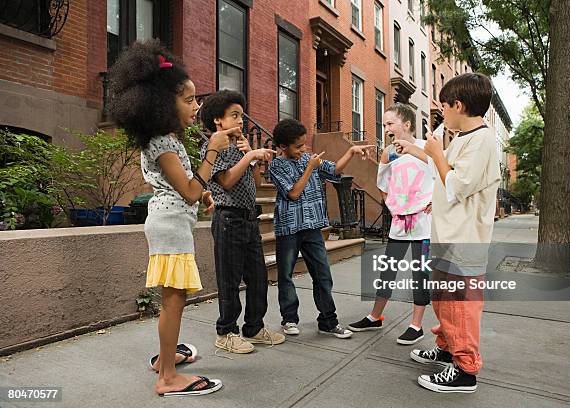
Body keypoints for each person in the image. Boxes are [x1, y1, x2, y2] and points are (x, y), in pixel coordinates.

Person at [108, 40, 236, 397]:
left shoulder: (166, 140)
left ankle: (165, 358)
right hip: (168, 228)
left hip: (173, 223)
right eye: (189, 99)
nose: (196, 106)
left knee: (174, 300)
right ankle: (166, 376)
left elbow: (186, 187)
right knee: (173, 301)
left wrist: (204, 193)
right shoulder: (162, 144)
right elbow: (189, 191)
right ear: (163, 103)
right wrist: (212, 150)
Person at [393, 73, 501, 393]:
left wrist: (437, 153)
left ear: (459, 105)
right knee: (443, 298)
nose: (442, 113)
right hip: (447, 235)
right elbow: (443, 173)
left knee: (460, 304)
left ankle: (465, 370)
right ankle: (446, 347)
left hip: (463, 240)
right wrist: (418, 149)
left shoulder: (482, 141)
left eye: (444, 107)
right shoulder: (463, 138)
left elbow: (456, 185)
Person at [269, 118, 373, 338]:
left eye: (304, 144)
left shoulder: (309, 159)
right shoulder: (276, 165)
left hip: (313, 227)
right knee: (286, 276)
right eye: (298, 146)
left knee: (323, 275)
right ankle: (289, 319)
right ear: (282, 147)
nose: (303, 149)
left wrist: (352, 151)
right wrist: (309, 168)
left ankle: (328, 321)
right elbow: (293, 193)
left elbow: (334, 170)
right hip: (289, 228)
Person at [200, 90, 285, 354]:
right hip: (228, 219)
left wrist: (252, 158)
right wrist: (249, 157)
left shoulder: (239, 147)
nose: (240, 121)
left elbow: (257, 184)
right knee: (230, 279)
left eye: (241, 115)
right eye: (234, 115)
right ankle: (226, 332)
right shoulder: (214, 147)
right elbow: (225, 181)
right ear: (218, 120)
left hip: (249, 219)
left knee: (258, 277)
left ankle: (254, 328)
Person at [348, 103, 433, 346]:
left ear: (406, 124)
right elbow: (382, 184)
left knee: (420, 274)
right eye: (384, 125)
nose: (386, 129)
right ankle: (375, 316)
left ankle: (415, 326)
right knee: (388, 272)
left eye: (390, 124)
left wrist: (435, 200)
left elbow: (442, 174)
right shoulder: (389, 153)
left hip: (423, 224)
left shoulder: (426, 148)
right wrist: (392, 206)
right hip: (399, 224)